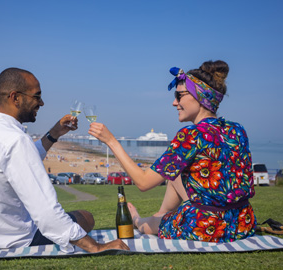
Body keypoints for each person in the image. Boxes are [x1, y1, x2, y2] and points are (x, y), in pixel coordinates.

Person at [0, 67, 129, 253]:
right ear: (15, 97)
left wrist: (54, 133)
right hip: (14, 239)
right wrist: (95, 246)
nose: (42, 103)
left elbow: (22, 160)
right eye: (36, 96)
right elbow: (47, 212)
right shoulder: (15, 140)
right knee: (86, 218)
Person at [89, 60, 257, 242]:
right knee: (173, 172)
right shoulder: (237, 130)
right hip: (242, 222)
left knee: (148, 224)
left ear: (200, 97)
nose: (174, 102)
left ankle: (138, 220)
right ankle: (161, 214)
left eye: (179, 95)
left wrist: (111, 141)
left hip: (207, 227)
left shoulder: (191, 135)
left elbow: (143, 183)